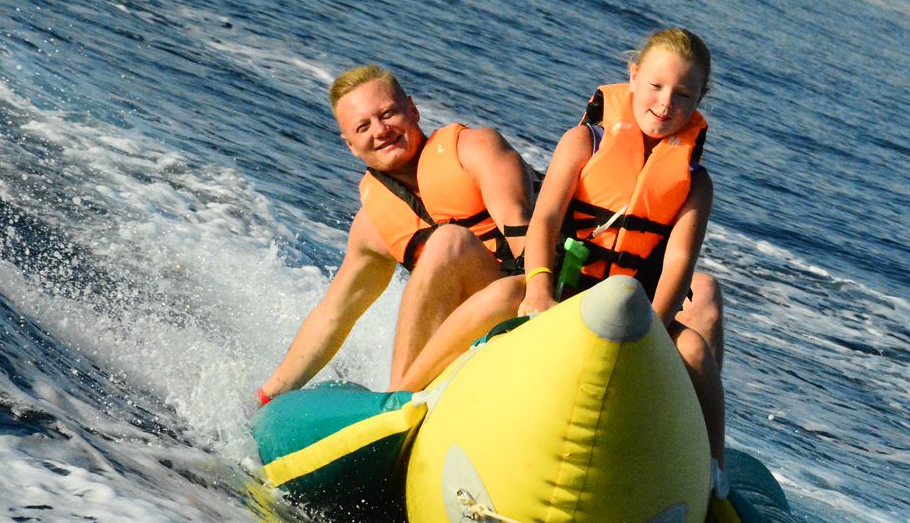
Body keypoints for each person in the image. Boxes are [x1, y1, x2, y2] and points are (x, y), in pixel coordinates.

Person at [390, 28, 726, 465]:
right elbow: (545, 219)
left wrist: (653, 332)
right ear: (634, 75)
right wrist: (538, 288)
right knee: (506, 294)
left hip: (628, 312)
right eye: (656, 86)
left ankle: (712, 471)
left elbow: (678, 262)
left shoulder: (695, 182)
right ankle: (402, 401)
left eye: (683, 95)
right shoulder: (584, 141)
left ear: (699, 100)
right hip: (559, 287)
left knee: (695, 349)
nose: (665, 104)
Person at [257, 65, 533, 403]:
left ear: (413, 110)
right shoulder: (373, 224)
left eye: (387, 114)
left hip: (527, 307)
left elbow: (521, 229)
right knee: (446, 244)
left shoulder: (474, 150)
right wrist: (269, 395)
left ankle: (396, 399)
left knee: (450, 241)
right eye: (363, 126)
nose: (381, 130)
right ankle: (399, 410)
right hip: (461, 347)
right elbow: (334, 315)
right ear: (352, 146)